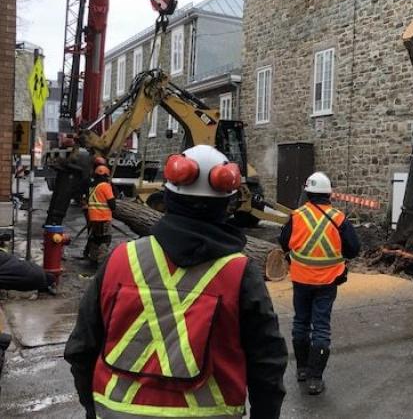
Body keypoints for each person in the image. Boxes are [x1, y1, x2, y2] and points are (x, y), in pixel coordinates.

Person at [65, 145, 288, 419]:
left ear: (168, 195)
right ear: (227, 204)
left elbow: (81, 348)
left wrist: (92, 408)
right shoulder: (240, 273)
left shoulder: (121, 260)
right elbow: (267, 366)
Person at [279, 172, 360, 395]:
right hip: (327, 282)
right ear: (329, 194)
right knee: (321, 328)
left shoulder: (297, 216)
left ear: (307, 193)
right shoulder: (339, 218)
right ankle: (315, 379)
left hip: (301, 280)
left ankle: (302, 370)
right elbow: (354, 249)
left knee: (300, 323)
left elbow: (283, 242)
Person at [84, 165, 116, 264]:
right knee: (105, 240)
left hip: (93, 218)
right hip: (103, 218)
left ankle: (93, 258)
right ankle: (102, 262)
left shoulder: (92, 187)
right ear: (106, 175)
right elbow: (112, 204)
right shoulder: (105, 186)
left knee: (96, 239)